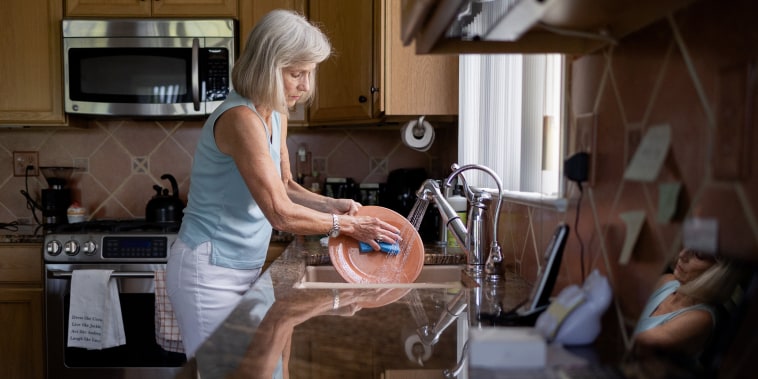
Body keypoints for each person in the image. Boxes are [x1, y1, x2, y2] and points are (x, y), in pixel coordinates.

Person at [166, 9, 401, 358]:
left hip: (245, 266)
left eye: (310, 73)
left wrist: (328, 204)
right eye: (296, 74)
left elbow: (284, 184)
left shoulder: (275, 112)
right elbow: (279, 213)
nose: (305, 86)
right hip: (209, 272)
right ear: (267, 68)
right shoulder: (239, 119)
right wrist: (349, 224)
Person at [630, 247, 746, 372]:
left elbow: (639, 344)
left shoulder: (701, 318)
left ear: (718, 273)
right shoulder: (668, 280)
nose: (682, 255)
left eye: (698, 254)